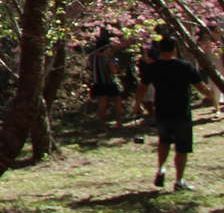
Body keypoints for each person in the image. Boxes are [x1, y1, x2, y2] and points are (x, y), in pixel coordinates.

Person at [138, 37, 204, 190]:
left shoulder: (153, 67)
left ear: (159, 50)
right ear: (175, 49)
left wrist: (137, 104)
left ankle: (161, 168)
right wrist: (210, 95)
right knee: (182, 147)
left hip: (162, 110)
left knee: (164, 141)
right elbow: (199, 86)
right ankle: (179, 180)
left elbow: (142, 87)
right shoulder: (185, 66)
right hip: (181, 111)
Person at [87, 30, 124, 126]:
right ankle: (119, 122)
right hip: (108, 82)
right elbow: (113, 71)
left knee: (102, 103)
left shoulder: (92, 57)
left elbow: (90, 67)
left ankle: (101, 123)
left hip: (97, 82)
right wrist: (115, 64)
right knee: (117, 101)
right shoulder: (107, 57)